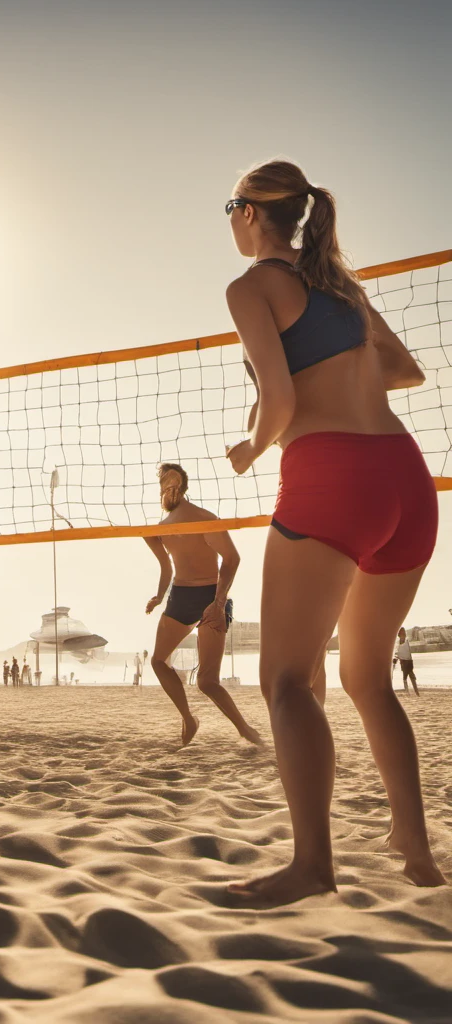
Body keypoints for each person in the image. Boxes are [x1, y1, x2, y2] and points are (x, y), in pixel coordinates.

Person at [222, 160, 444, 902]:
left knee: (286, 680)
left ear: (253, 215)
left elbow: (278, 401)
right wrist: (345, 376)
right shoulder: (341, 286)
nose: (229, 219)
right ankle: (416, 847)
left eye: (230, 207)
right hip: (406, 481)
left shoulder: (252, 287)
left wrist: (254, 445)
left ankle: (313, 866)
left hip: (333, 480)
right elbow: (406, 371)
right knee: (366, 677)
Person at [144, 463, 263, 746]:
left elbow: (232, 559)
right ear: (161, 487)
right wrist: (160, 596)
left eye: (173, 482)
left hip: (211, 595)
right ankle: (188, 718)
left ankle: (245, 730)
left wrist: (219, 604)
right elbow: (166, 568)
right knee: (159, 661)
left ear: (183, 487)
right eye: (164, 482)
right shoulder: (157, 529)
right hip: (180, 598)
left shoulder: (203, 519)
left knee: (208, 682)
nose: (169, 487)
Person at [393, 627, 419, 697]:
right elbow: (397, 653)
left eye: (404, 634)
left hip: (409, 662)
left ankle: (416, 692)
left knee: (412, 677)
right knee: (405, 677)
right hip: (403, 662)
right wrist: (395, 660)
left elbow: (407, 652)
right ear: (399, 635)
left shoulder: (407, 641)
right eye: (402, 635)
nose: (403, 636)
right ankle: (408, 692)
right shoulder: (398, 644)